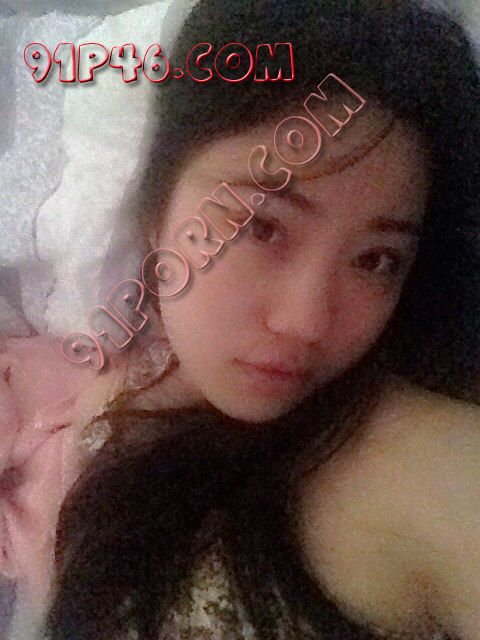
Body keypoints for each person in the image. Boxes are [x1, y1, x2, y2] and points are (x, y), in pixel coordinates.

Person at [6, 0, 480, 638]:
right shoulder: (113, 395)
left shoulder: (418, 462)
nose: (306, 323)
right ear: (157, 213)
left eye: (376, 259)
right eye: (263, 226)